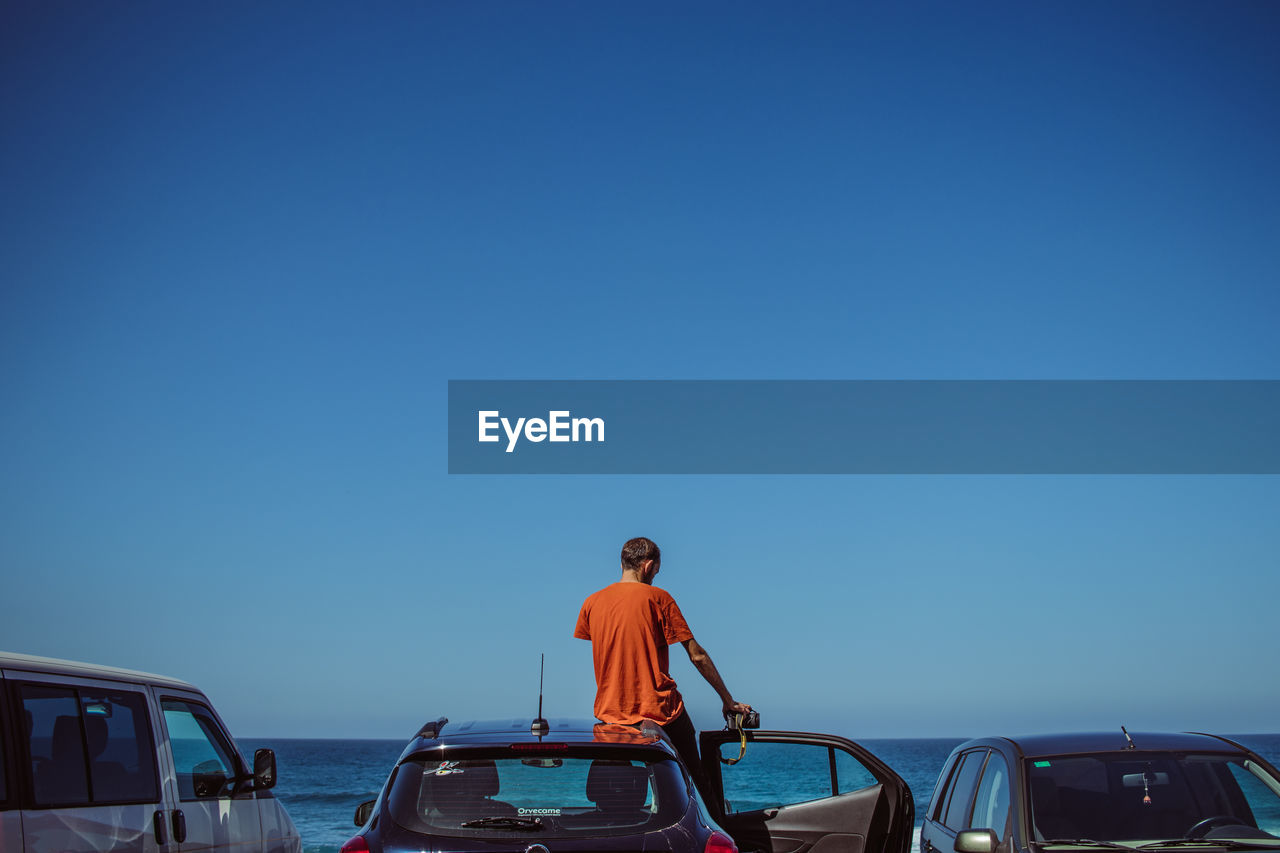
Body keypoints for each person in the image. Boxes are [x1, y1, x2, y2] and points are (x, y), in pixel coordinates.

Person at [573, 536, 752, 792]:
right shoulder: (658, 598)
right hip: (658, 710)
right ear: (647, 566)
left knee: (614, 789)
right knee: (694, 781)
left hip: (611, 712)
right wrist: (727, 699)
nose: (654, 577)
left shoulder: (592, 602)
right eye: (655, 572)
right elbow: (697, 655)